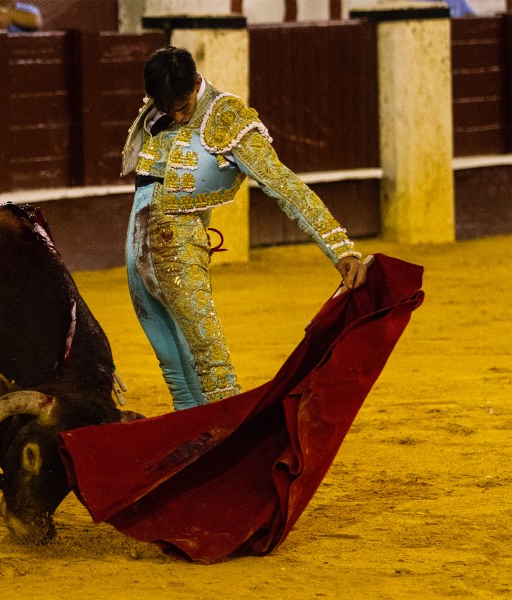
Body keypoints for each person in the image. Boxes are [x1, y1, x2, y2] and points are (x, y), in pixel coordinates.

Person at [122, 46, 368, 411]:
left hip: (178, 243)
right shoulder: (160, 103)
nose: (176, 116)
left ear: (195, 84)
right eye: (168, 108)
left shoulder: (228, 118)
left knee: (210, 359)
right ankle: (195, 435)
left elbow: (284, 185)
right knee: (172, 357)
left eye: (183, 107)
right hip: (136, 240)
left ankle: (228, 436)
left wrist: (340, 249)